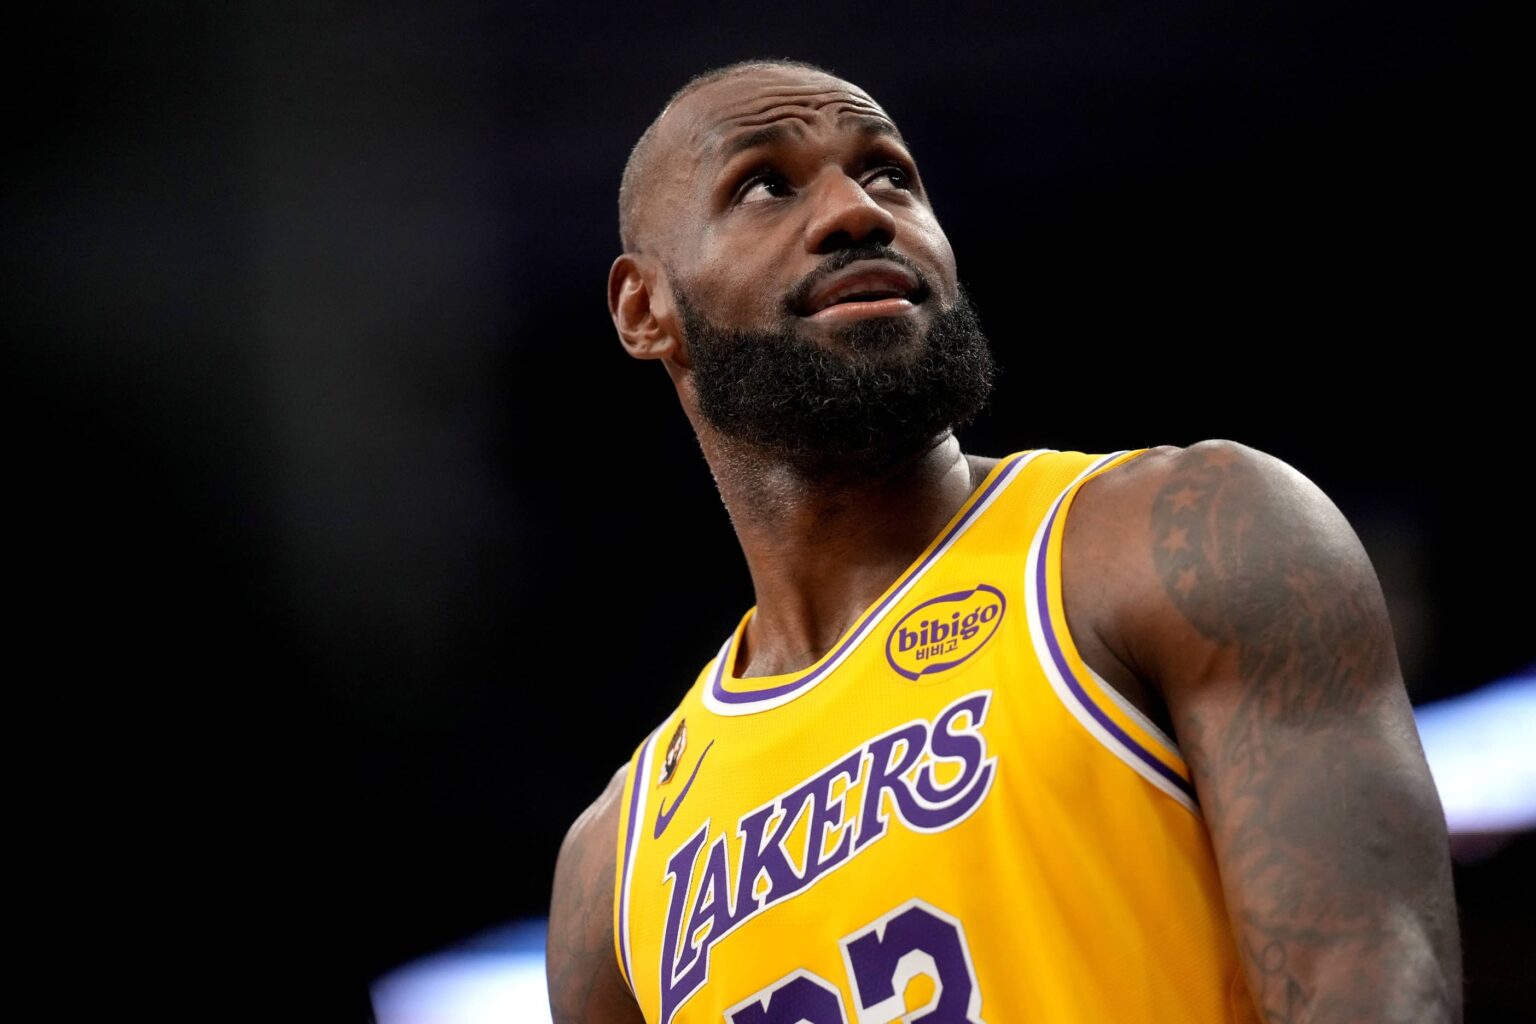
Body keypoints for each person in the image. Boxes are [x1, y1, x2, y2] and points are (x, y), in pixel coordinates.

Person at [546, 58, 1462, 1023]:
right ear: (644, 309)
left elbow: (1372, 991)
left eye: (890, 173)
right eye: (766, 185)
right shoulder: (614, 869)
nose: (857, 211)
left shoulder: (1184, 537)